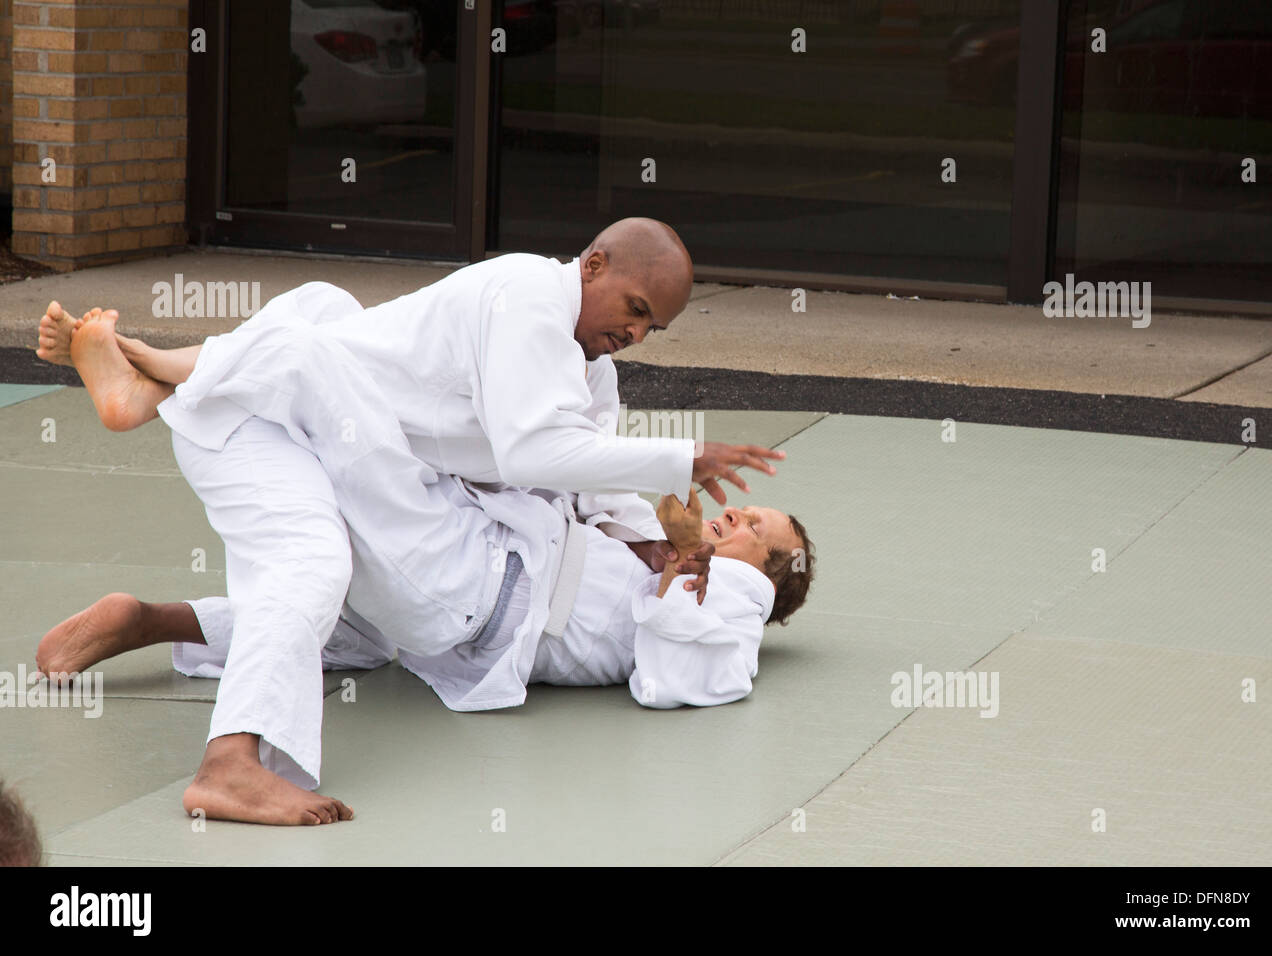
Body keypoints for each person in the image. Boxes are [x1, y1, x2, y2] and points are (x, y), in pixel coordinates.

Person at [32, 221, 799, 825]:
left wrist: (662, 540)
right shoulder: (529, 299)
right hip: (456, 550)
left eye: (652, 329)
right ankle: (152, 402)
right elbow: (537, 451)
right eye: (636, 311)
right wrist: (679, 463)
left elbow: (591, 480)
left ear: (762, 584)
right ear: (593, 266)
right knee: (313, 355)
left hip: (465, 574)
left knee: (316, 346)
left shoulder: (716, 595)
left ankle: (155, 387)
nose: (636, 335)